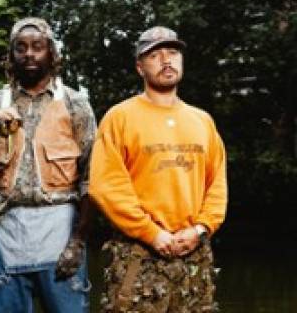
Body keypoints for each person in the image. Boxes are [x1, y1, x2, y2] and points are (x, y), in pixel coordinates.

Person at [89, 26, 227, 312]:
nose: (166, 60)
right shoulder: (120, 117)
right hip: (138, 253)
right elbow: (106, 187)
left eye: (173, 52)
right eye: (155, 55)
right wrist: (151, 232)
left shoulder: (202, 121)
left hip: (194, 253)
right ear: (140, 67)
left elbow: (217, 186)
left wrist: (201, 228)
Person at [0, 17, 96, 313]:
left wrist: (78, 242)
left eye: (37, 47)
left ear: (51, 53)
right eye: (21, 48)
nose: (29, 54)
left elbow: (92, 179)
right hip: (7, 235)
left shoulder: (75, 104)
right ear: (11, 56)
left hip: (61, 234)